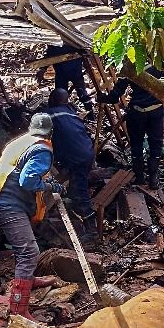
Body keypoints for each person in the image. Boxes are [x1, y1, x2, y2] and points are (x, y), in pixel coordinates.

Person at [0, 113, 64, 319]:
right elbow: (27, 181)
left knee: (23, 245)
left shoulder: (22, 141)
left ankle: (28, 278)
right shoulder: (42, 149)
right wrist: (47, 185)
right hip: (6, 201)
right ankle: (18, 309)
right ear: (51, 132)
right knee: (28, 251)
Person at [98, 72, 164, 189]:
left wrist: (101, 98)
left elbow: (114, 97)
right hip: (156, 111)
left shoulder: (129, 67)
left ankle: (140, 178)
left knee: (136, 145)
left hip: (137, 112)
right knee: (155, 145)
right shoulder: (158, 61)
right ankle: (153, 179)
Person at [46, 88, 96, 238]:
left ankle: (92, 230)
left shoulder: (50, 114)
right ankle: (76, 213)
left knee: (80, 190)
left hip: (76, 157)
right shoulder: (71, 112)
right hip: (87, 152)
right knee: (76, 186)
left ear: (53, 99)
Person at [43, 44, 94, 115]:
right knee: (60, 97)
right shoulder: (55, 43)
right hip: (63, 73)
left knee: (83, 95)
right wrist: (43, 69)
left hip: (74, 72)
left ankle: (90, 116)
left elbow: (84, 52)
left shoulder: (72, 40)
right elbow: (49, 56)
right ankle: (62, 116)